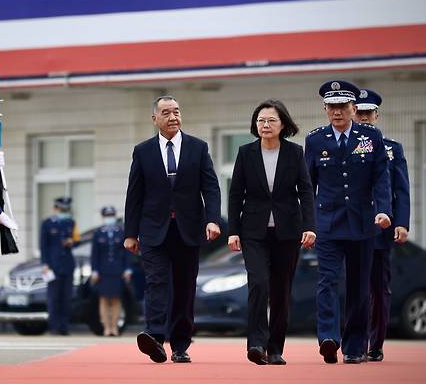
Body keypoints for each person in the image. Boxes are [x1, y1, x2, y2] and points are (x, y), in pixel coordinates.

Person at [124, 95, 221, 364]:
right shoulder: (142, 151)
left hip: (188, 229)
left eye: (176, 111)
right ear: (155, 118)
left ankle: (180, 344)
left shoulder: (198, 148)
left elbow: (210, 187)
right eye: (166, 112)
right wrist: (130, 233)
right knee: (156, 281)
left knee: (184, 288)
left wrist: (212, 219)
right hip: (154, 229)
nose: (173, 117)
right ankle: (154, 336)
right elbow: (135, 194)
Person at [305, 80, 392, 364]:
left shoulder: (370, 136)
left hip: (363, 222)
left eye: (342, 106)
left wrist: (383, 210)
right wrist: (307, 222)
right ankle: (329, 337)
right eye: (331, 107)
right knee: (327, 281)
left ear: (353, 108)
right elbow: (308, 185)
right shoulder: (315, 139)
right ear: (325, 109)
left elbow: (381, 176)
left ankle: (355, 346)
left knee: (358, 286)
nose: (337, 112)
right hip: (327, 222)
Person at [227, 99, 316, 365]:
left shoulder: (294, 153)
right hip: (253, 231)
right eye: (261, 121)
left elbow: (306, 191)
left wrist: (310, 226)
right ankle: (256, 344)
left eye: (271, 120)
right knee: (259, 282)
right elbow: (235, 194)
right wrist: (233, 231)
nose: (265, 125)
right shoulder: (246, 153)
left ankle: (275, 347)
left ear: (283, 124)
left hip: (287, 231)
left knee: (281, 290)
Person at [353, 89, 410, 362]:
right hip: (350, 227)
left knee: (379, 287)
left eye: (368, 113)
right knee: (355, 287)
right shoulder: (343, 144)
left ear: (376, 115)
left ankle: (375, 343)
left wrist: (401, 222)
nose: (364, 117)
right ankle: (355, 342)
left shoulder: (391, 148)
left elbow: (401, 188)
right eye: (359, 112)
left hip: (380, 229)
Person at [40, 197, 80, 335]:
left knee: (66, 297)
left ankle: (64, 327)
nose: (64, 212)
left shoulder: (71, 222)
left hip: (67, 265)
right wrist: (44, 264)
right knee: (53, 297)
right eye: (62, 209)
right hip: (52, 266)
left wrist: (72, 242)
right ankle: (53, 327)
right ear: (55, 209)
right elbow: (43, 246)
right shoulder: (47, 223)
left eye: (66, 209)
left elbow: (77, 240)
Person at [90, 206, 131, 336]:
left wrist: (127, 269)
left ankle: (114, 327)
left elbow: (126, 253)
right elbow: (94, 254)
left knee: (116, 299)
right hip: (103, 271)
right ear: (103, 217)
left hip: (117, 270)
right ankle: (106, 327)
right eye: (107, 216)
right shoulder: (98, 233)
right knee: (103, 299)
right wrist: (94, 271)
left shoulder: (121, 231)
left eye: (111, 215)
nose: (109, 218)